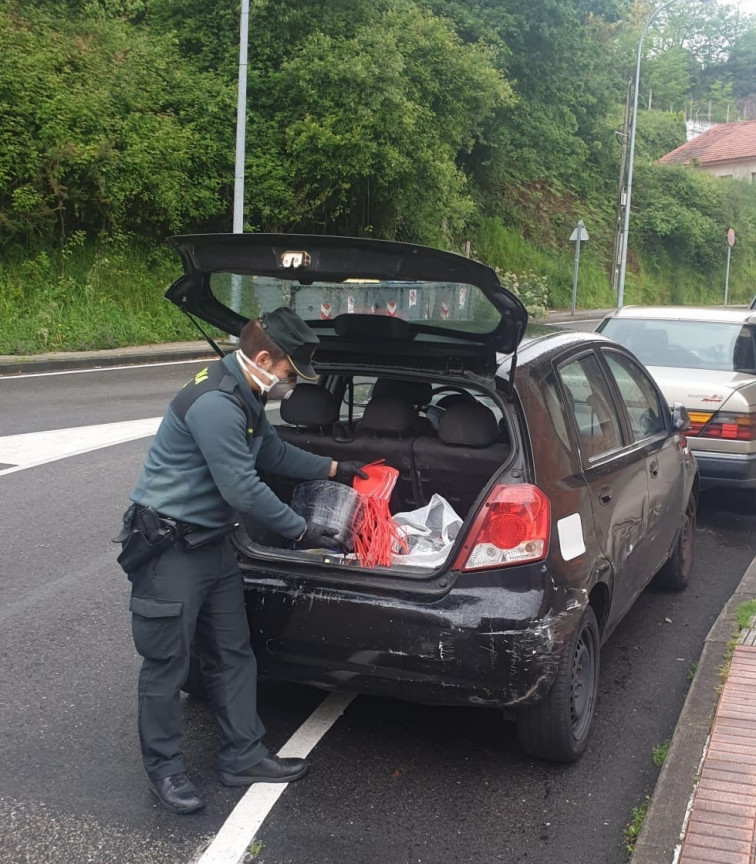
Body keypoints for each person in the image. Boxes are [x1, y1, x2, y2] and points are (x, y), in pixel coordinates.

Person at [115, 307, 365, 814]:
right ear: (265, 358)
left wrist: (337, 467)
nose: (290, 385)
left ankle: (243, 756)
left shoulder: (246, 393)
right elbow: (242, 486)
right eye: (291, 375)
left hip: (212, 545)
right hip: (170, 550)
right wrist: (302, 530)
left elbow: (270, 454)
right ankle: (165, 771)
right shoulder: (216, 403)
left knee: (232, 652)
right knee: (167, 664)